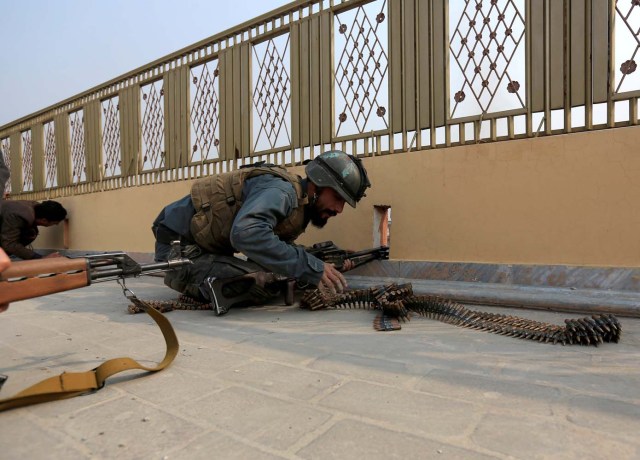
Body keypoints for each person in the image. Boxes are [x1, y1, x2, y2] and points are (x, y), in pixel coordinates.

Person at [152, 150, 371, 315]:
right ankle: (190, 280)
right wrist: (309, 266)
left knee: (276, 275)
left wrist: (322, 262)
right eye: (338, 198)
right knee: (263, 284)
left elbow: (273, 246)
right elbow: (246, 234)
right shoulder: (282, 192)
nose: (339, 210)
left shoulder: (299, 204)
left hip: (201, 246)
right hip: (178, 249)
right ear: (318, 185)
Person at [0, 199, 67, 260]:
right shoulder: (19, 215)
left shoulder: (35, 207)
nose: (56, 225)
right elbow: (10, 244)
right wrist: (41, 258)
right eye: (55, 223)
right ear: (44, 220)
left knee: (30, 233)